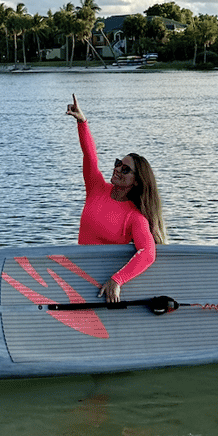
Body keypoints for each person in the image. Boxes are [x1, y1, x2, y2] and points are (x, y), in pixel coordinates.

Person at [65, 94, 166, 303]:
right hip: (78, 272)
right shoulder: (97, 187)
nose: (118, 168)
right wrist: (82, 122)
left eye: (126, 168)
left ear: (136, 182)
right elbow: (90, 157)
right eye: (118, 163)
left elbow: (148, 252)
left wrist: (117, 280)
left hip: (103, 283)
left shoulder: (134, 217)